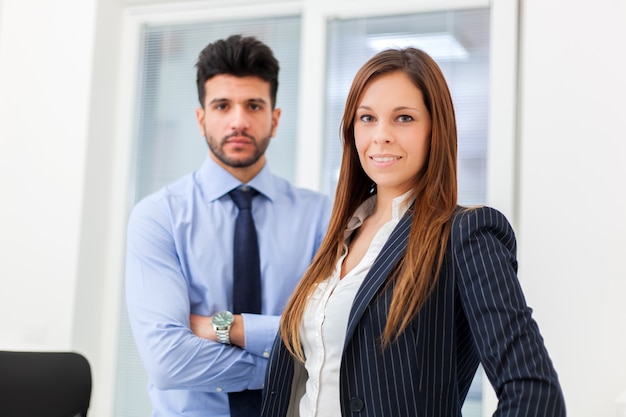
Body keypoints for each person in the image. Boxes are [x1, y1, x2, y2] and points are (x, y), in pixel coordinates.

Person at [260, 47, 566, 417]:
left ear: (435, 129)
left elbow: (535, 395)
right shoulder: (342, 236)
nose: (381, 135)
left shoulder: (466, 233)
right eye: (367, 118)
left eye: (403, 118)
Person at [125, 34, 331, 417]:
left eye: (254, 105)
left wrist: (227, 327)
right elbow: (168, 362)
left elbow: (335, 339)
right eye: (223, 105)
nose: (239, 121)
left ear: (275, 118)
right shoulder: (158, 217)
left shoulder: (323, 217)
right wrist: (288, 367)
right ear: (202, 119)